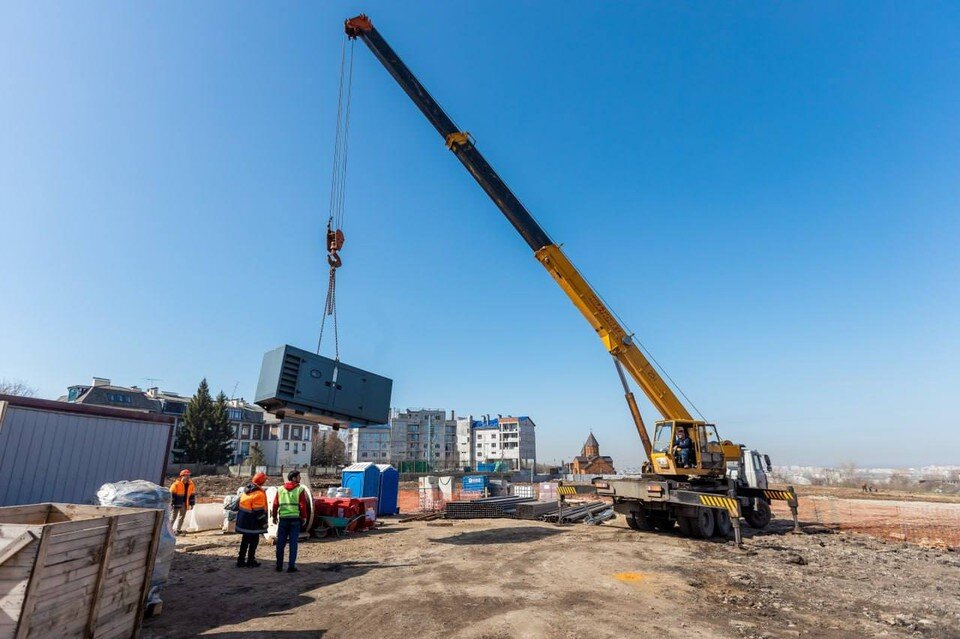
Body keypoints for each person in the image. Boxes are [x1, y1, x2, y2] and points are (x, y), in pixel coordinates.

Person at [272, 470, 308, 573]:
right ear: (294, 478)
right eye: (299, 477)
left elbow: (275, 504)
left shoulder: (280, 489)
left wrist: (274, 516)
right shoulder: (299, 490)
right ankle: (291, 566)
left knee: (280, 543)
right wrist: (304, 517)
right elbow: (302, 505)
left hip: (283, 520)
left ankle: (279, 566)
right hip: (295, 520)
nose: (300, 478)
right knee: (293, 544)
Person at [236, 472, 269, 567]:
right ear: (262, 481)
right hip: (252, 522)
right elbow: (259, 511)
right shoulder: (259, 494)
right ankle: (251, 561)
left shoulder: (247, 491)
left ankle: (240, 561)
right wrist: (264, 523)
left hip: (243, 521)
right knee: (254, 541)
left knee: (245, 541)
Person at [170, 469, 196, 535]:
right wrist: (171, 503)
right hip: (176, 503)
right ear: (182, 476)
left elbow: (192, 495)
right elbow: (171, 495)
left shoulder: (191, 484)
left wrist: (192, 504)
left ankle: (178, 530)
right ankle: (169, 530)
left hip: (185, 503)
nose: (188, 477)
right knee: (173, 517)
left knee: (182, 517)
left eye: (189, 475)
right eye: (186, 475)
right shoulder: (176, 484)